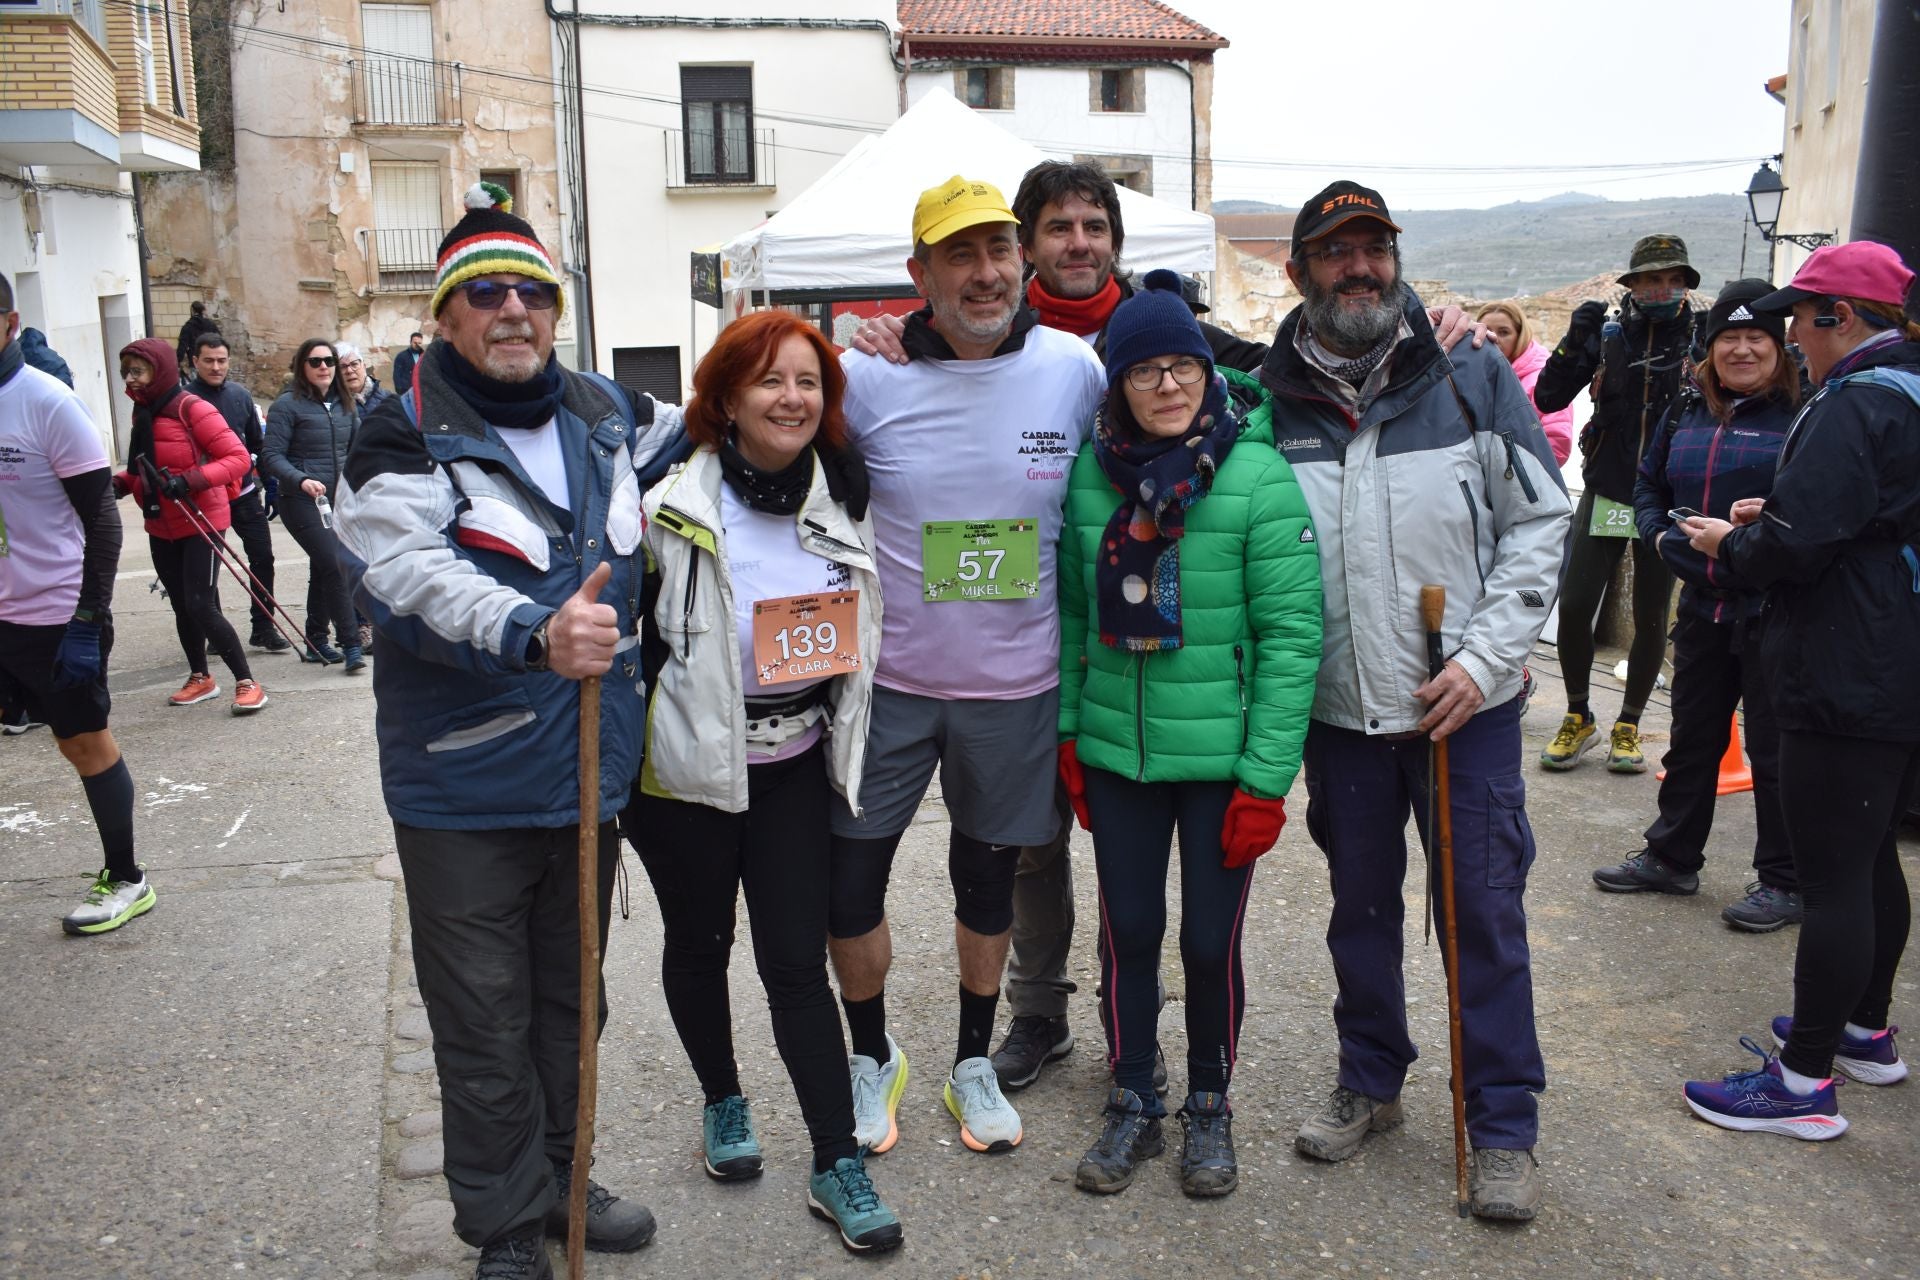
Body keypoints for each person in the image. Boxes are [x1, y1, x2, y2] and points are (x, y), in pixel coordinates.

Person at [850, 160, 1486, 1097]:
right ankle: (1053, 1023)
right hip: (1043, 692)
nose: (1075, 245)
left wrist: (1433, 325)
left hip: (1115, 705)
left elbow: (1278, 372)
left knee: (1120, 903)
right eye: (1055, 228)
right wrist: (873, 334)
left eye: (1091, 227)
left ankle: (1189, 1086)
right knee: (1041, 870)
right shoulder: (910, 367)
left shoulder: (1117, 368)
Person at [335, 182, 683, 1279]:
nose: (512, 310)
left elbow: (717, 418)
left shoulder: (602, 411)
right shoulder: (399, 431)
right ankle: (504, 1225)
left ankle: (562, 1181)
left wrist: (858, 365)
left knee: (572, 1000)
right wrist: (534, 632)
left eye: (531, 290)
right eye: (483, 293)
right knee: (483, 1023)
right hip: (463, 789)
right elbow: (408, 576)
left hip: (589, 774)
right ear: (445, 318)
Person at [1255, 182, 1570, 1221]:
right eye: (1336, 253)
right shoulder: (1270, 399)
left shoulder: (1472, 373)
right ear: (1300, 273)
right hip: (1340, 718)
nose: (1360, 268)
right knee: (1361, 909)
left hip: (1463, 711)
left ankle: (1504, 1125)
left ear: (1397, 261)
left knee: (1480, 910)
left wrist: (1483, 660)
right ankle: (1372, 1077)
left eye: (1375, 250)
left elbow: (1539, 524)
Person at [827, 175, 1106, 1158]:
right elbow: (766, 438)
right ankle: (873, 1055)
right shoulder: (865, 379)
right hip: (888, 683)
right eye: (959, 254)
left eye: (997, 251)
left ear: (1023, 261)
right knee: (847, 885)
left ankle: (972, 1059)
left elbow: (1184, 409)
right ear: (920, 274)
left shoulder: (1076, 369)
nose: (984, 273)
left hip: (1014, 686)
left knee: (988, 884)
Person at [621, 310, 901, 1254]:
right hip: (685, 777)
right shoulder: (667, 498)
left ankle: (835, 1159)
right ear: (728, 398)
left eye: (809, 382)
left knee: (793, 963)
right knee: (699, 945)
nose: (792, 398)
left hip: (790, 769)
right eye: (771, 381)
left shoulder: (843, 492)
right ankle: (723, 1103)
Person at [1057, 272, 1322, 1197]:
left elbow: (1292, 640)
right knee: (1129, 932)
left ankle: (1209, 1104)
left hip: (1219, 763)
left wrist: (1266, 778)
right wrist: (1066, 733)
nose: (1167, 386)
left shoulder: (1256, 474)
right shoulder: (1092, 475)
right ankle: (1135, 1094)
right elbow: (1070, 616)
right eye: (1144, 372)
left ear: (1208, 373)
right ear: (1117, 383)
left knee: (1210, 944)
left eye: (1184, 367)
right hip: (1120, 755)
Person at [1680, 241, 1919, 1140]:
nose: (1790, 333)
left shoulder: (1857, 400)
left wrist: (1723, 544)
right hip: (1894, 649)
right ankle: (1864, 1032)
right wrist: (1772, 515)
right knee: (1867, 858)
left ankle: (1804, 1081)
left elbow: (1797, 545)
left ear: (1841, 320)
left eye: (1800, 316)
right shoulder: (1908, 388)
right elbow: (1860, 513)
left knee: (1831, 877)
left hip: (1845, 660)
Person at [1596, 279, 1802, 929]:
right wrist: (1658, 535)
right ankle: (1673, 856)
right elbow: (1649, 483)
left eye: (1756, 338)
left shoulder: (1806, 414)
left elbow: (1812, 513)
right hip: (1704, 603)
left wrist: (1746, 544)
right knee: (1693, 737)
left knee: (1773, 750)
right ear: (1710, 350)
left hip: (1778, 609)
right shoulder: (1688, 410)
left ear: (1779, 346)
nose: (1741, 350)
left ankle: (1784, 879)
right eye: (1729, 339)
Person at [0, 272, 150, 934]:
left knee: (84, 746)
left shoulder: (47, 404)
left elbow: (104, 521)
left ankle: (126, 879)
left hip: (54, 616)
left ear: (7, 323)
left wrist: (88, 623)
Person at [1535, 234, 1703, 774]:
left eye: (1673, 279)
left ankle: (1629, 724)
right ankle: (1579, 715)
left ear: (1685, 284)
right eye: (1652, 279)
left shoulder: (1702, 335)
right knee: (1578, 605)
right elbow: (1547, 398)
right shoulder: (1606, 333)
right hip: (1607, 489)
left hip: (1669, 499)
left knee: (1652, 613)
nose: (1662, 288)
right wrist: (1570, 344)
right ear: (1631, 284)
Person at [112, 338, 266, 715]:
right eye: (126, 372)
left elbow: (237, 459)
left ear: (159, 370)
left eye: (138, 371)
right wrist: (120, 483)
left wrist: (191, 479)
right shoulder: (143, 413)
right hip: (161, 522)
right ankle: (201, 677)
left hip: (202, 519)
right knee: (182, 604)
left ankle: (248, 683)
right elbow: (141, 469)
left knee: (201, 604)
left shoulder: (191, 408)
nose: (130, 380)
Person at [263, 338, 363, 670]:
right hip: (301, 502)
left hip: (338, 501)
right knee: (335, 564)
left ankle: (316, 638)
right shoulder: (287, 405)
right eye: (315, 361)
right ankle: (350, 644)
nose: (324, 367)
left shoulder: (346, 404)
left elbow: (358, 450)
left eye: (329, 362)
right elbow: (271, 456)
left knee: (324, 567)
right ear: (302, 367)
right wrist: (300, 479)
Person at [186, 333, 287, 653]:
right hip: (204, 495)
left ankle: (263, 626)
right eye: (209, 361)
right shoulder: (183, 400)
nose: (216, 367)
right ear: (194, 362)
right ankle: (216, 631)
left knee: (262, 557)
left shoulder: (240, 396)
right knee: (209, 566)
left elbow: (258, 444)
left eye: (222, 360)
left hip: (243, 491)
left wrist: (270, 484)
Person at [1476, 301, 1573, 465]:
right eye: (1486, 331)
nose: (1493, 338)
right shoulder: (1474, 375)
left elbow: (1557, 445)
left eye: (1504, 332)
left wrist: (1508, 472)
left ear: (1520, 336)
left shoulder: (1543, 379)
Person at [336, 342, 393, 417]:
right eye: (342, 367)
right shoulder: (333, 405)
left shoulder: (387, 398)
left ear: (364, 366)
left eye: (354, 364)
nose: (349, 371)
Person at [176, 300, 217, 372]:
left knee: (197, 382)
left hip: (195, 363)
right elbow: (219, 341)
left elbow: (182, 347)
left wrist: (177, 362)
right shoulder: (211, 324)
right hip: (211, 361)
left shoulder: (187, 327)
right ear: (203, 311)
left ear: (192, 311)